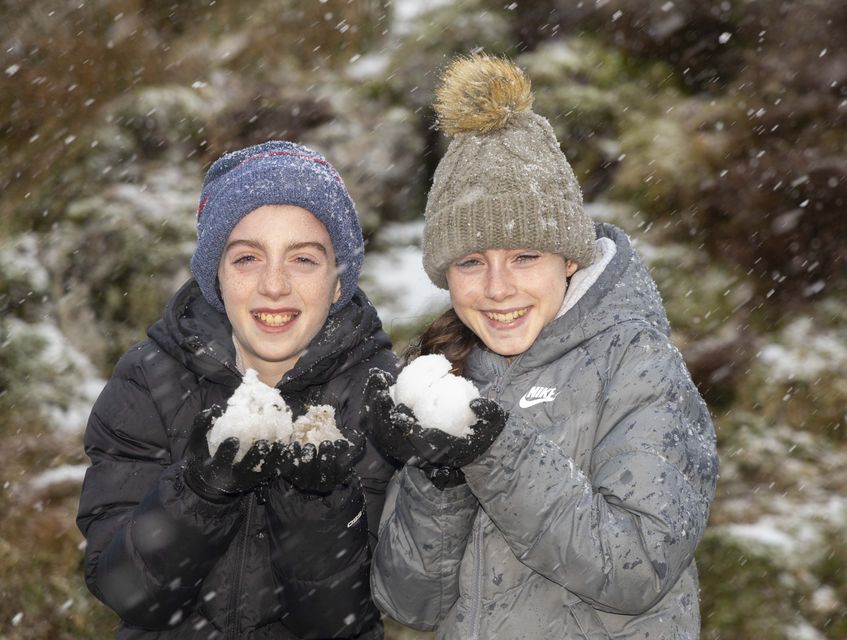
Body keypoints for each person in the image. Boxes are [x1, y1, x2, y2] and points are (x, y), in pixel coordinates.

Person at [363, 54, 719, 639]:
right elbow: (409, 602)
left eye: (525, 256)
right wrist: (441, 476)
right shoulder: (450, 369)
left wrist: (492, 451)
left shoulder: (638, 365)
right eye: (472, 262)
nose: (498, 288)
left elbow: (636, 567)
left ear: (570, 257)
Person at [76, 140, 398, 639]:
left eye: (304, 260)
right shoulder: (150, 382)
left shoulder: (377, 399)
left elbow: (343, 621)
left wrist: (316, 503)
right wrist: (201, 492)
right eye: (247, 258)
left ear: (339, 282)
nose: (274, 284)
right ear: (216, 278)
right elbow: (128, 591)